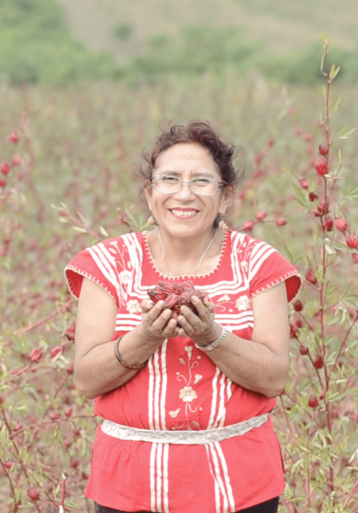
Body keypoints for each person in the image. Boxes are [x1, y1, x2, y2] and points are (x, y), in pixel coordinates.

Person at [64, 120, 301, 513]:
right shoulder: (107, 264)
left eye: (202, 182)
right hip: (130, 482)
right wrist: (145, 337)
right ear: (150, 192)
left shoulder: (260, 264)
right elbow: (87, 380)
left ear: (225, 197)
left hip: (240, 483)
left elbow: (275, 377)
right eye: (170, 179)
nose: (184, 194)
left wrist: (211, 336)